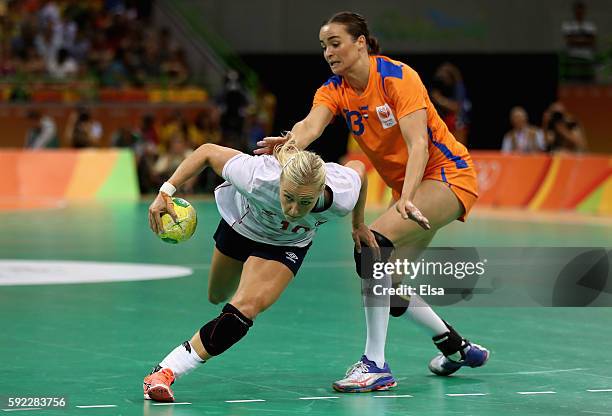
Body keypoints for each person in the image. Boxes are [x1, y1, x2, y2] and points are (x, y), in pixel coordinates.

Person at [256, 11, 489, 393]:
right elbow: (310, 125)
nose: (329, 53)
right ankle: (457, 347)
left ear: (360, 42)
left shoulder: (397, 77)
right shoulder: (334, 90)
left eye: (336, 43)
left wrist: (407, 198)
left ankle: (375, 364)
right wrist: (290, 143)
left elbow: (419, 145)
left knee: (373, 246)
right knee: (390, 288)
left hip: (447, 176)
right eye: (323, 46)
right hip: (411, 191)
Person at [143, 136, 371, 402]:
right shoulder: (258, 176)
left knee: (242, 313)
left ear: (321, 191)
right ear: (280, 182)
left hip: (286, 244)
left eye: (305, 202)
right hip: (240, 227)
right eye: (288, 197)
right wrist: (165, 192)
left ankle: (165, 372)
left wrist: (358, 224)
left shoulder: (341, 195)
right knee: (217, 295)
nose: (294, 210)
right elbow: (206, 152)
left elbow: (360, 170)